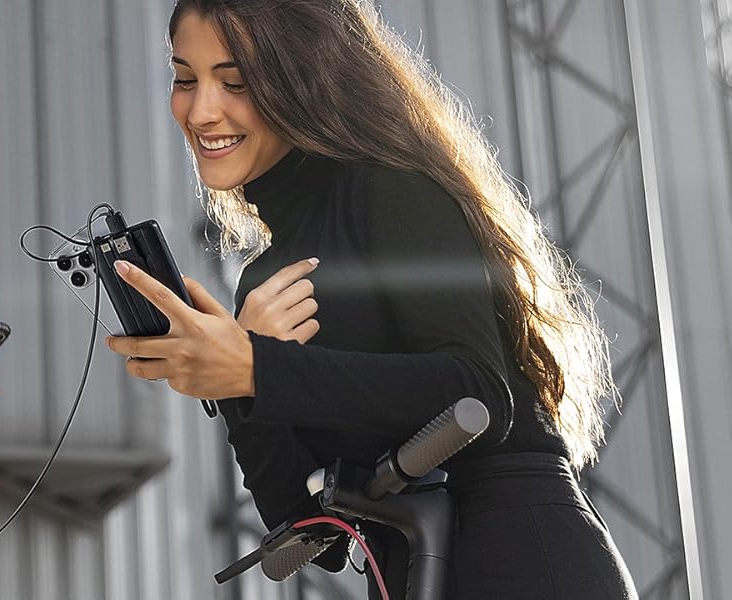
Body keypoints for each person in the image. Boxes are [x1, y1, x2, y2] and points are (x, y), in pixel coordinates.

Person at [103, 0, 636, 597]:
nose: (201, 110)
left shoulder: (391, 188)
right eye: (184, 79)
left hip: (524, 558)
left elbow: (479, 393)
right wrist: (238, 386)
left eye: (236, 81)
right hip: (415, 574)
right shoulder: (264, 283)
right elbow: (311, 537)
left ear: (303, 75)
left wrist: (259, 367)